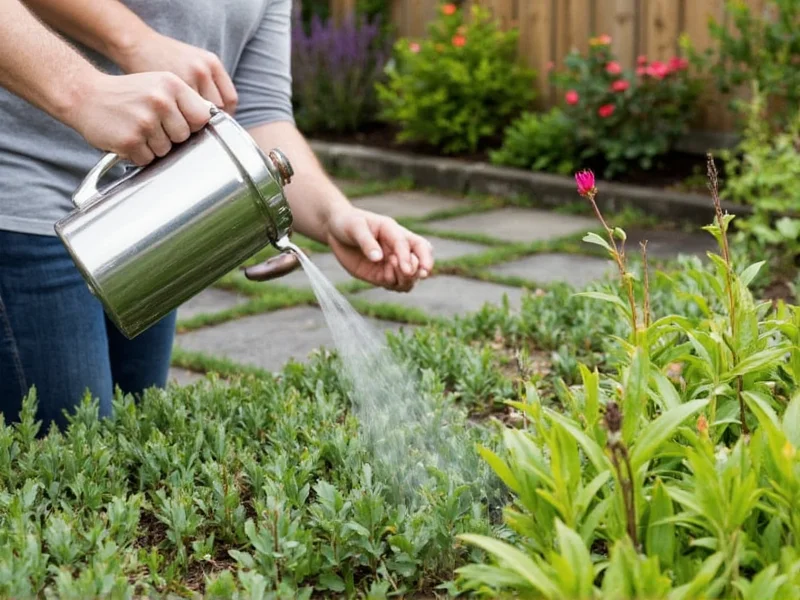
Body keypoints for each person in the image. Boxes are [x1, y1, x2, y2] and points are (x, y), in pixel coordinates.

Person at [0, 0, 434, 432]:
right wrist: (117, 57)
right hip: (22, 200)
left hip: (149, 220)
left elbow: (259, 115)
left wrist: (335, 216)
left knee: (126, 447)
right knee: (69, 451)